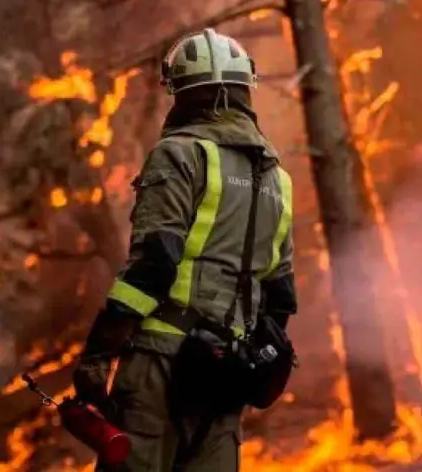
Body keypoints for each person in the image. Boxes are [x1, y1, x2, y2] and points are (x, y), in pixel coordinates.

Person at [72, 28, 298, 472]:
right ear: (244, 91)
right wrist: (244, 364)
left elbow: (153, 267)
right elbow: (281, 296)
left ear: (181, 94)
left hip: (163, 362)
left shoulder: (179, 155)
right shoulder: (277, 179)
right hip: (226, 374)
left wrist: (99, 355)